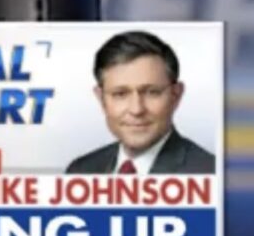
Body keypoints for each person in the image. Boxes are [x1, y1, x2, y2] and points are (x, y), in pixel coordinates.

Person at [65, 30, 218, 174]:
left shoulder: (212, 173)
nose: (136, 109)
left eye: (152, 92)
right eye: (120, 94)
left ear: (175, 95)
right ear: (101, 99)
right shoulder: (80, 171)